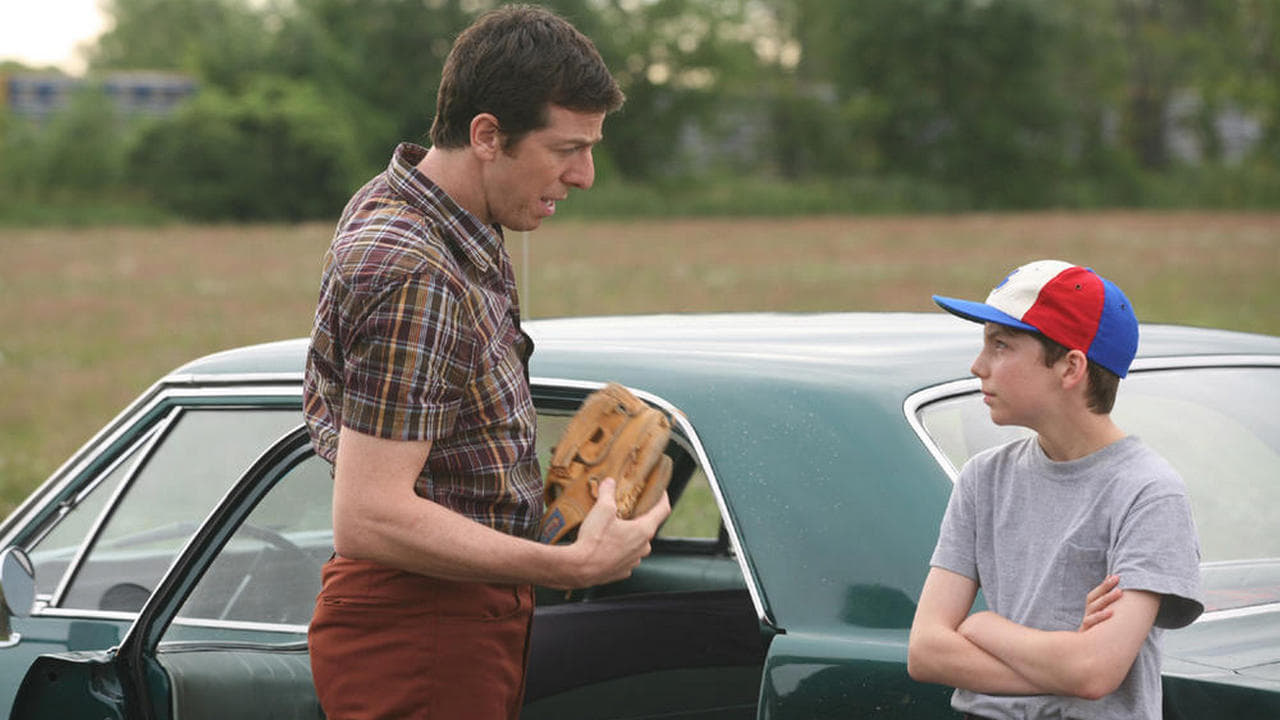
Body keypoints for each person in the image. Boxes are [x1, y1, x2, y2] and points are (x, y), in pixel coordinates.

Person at [301, 6, 671, 719]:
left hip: (450, 618)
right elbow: (370, 516)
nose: (585, 176)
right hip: (421, 629)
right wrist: (567, 564)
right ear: (487, 136)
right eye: (566, 148)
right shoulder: (412, 266)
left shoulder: (438, 216)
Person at [907, 259, 1204, 719]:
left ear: (1070, 367)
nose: (978, 366)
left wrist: (984, 626)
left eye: (1001, 345)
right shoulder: (983, 478)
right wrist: (1062, 662)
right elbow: (926, 651)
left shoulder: (1148, 492)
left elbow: (1094, 673)